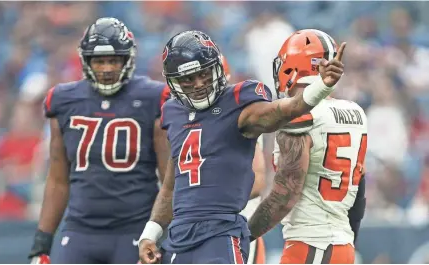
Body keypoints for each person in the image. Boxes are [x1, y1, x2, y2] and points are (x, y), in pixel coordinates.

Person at [138, 30, 346, 264]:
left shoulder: (238, 101)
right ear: (174, 81)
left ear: (217, 68)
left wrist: (321, 87)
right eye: (188, 78)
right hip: (178, 236)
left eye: (204, 74)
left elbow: (282, 111)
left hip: (220, 232)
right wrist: (150, 233)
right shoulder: (173, 112)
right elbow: (171, 187)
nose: (198, 84)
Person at [28, 17, 170, 264]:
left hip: (134, 229)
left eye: (113, 60)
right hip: (79, 231)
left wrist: (158, 231)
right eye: (99, 60)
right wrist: (43, 240)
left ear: (127, 59)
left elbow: (168, 178)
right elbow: (58, 179)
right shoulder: (63, 101)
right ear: (86, 61)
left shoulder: (153, 98)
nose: (106, 69)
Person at [248, 29, 366, 264]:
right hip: (342, 245)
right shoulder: (356, 111)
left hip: (310, 246)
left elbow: (285, 194)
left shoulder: (300, 116)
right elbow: (359, 194)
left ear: (292, 68)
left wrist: (243, 234)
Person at [222, 54, 267, 264]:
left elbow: (257, 182)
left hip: (238, 225)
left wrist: (208, 201)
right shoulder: (187, 122)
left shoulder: (240, 116)